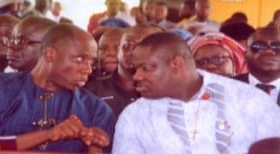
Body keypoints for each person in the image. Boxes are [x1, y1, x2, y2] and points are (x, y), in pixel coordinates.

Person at [112, 32, 280, 154]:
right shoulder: (134, 116)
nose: (137, 77)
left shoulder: (249, 100)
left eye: (145, 68)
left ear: (176, 64)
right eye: (136, 69)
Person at [0, 24, 116, 153]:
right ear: (50, 54)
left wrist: (94, 144)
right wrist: (48, 134)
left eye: (91, 63)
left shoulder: (96, 110)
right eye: (80, 59)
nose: (88, 69)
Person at [85, 24, 161, 117]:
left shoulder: (166, 94)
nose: (132, 52)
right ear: (120, 48)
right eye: (128, 45)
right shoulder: (90, 92)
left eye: (142, 46)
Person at [234, 26, 280, 105]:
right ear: (245, 54)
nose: (269, 51)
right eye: (259, 46)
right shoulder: (228, 87)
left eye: (278, 47)